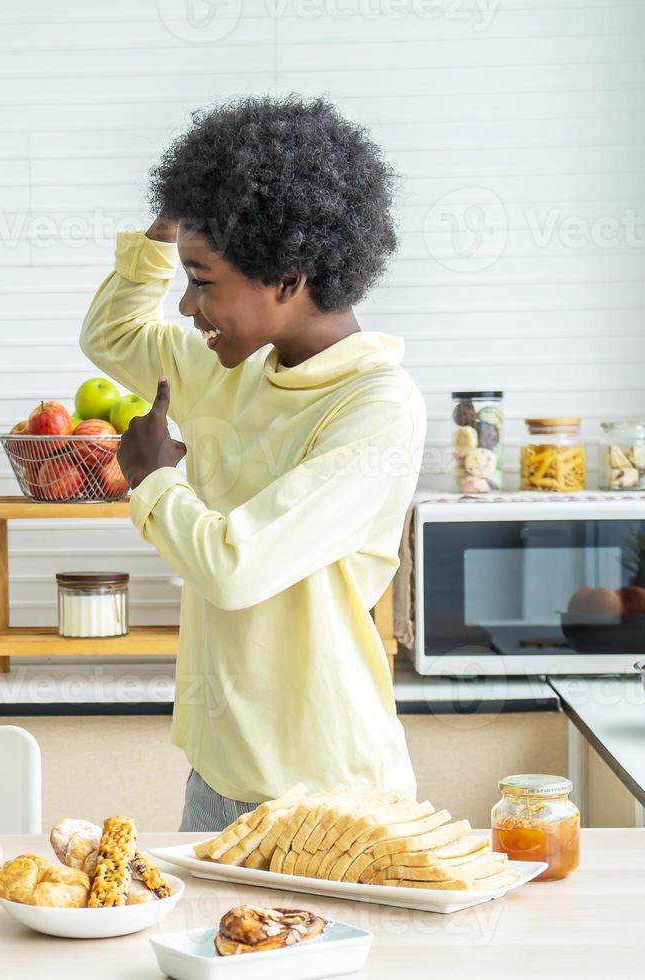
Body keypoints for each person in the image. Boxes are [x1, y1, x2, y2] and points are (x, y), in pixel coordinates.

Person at [80, 95, 424, 832]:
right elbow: (112, 334)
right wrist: (162, 233)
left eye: (203, 281)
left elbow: (234, 568)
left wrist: (153, 477)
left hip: (329, 795)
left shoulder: (376, 408)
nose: (186, 307)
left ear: (287, 277)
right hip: (219, 775)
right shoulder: (230, 365)